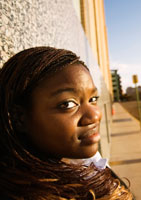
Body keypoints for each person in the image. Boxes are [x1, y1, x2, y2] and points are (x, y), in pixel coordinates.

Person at [0, 47, 133, 200]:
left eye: (93, 99)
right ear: (20, 118)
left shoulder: (82, 161)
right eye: (68, 104)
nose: (95, 115)